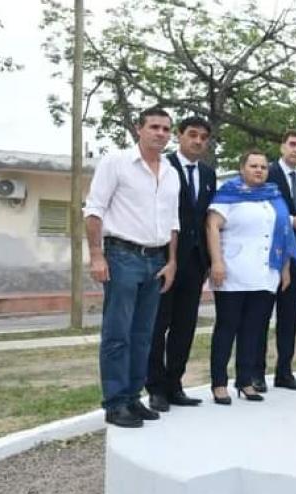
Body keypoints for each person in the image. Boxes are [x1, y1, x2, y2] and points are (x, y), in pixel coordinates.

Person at [84, 106, 180, 428]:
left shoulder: (170, 172)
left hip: (156, 259)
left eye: (166, 129)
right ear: (139, 129)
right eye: (154, 127)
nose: (161, 133)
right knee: (117, 334)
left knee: (144, 335)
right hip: (122, 256)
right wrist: (97, 256)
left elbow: (173, 222)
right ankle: (114, 403)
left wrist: (172, 261)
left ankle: (132, 397)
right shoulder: (116, 163)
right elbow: (94, 210)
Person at [205, 150, 296, 404]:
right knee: (227, 328)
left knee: (254, 330)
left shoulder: (273, 196)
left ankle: (245, 380)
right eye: (253, 165)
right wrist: (216, 261)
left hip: (265, 273)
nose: (259, 170)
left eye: (263, 167)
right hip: (233, 272)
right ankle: (219, 383)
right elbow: (211, 226)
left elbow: (283, 233)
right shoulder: (228, 194)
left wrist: (285, 268)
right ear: (242, 168)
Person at [145, 116, 216, 412]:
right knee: (157, 326)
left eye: (203, 137)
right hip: (165, 260)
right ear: (180, 136)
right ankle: (156, 387)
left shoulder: (209, 174)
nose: (198, 141)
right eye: (192, 135)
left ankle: (175, 384)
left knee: (184, 327)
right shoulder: (163, 166)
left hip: (197, 263)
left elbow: (207, 219)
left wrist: (211, 261)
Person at [255, 129, 296, 392]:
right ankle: (256, 374)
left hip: (295, 258)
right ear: (282, 147)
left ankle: (284, 372)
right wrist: (294, 221)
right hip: (269, 258)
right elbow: (261, 210)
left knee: (289, 318)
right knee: (261, 317)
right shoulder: (267, 174)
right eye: (292, 144)